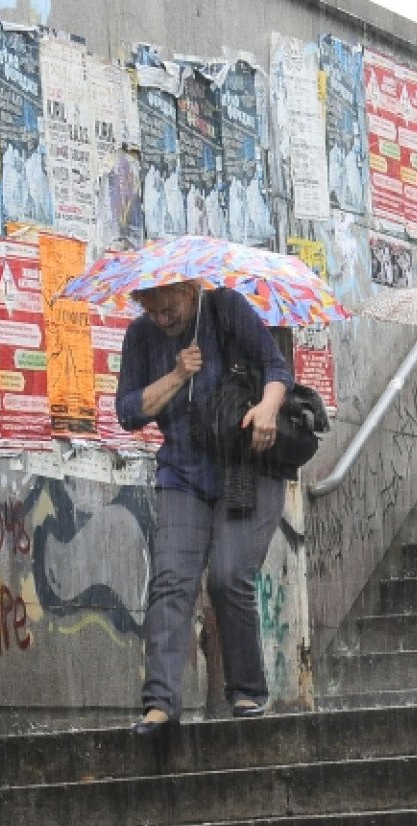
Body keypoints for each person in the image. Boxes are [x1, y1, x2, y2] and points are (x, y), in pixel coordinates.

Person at [115, 280, 292, 736]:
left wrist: (269, 408)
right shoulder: (140, 337)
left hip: (246, 464)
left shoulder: (226, 309)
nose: (163, 319)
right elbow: (129, 411)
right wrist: (176, 376)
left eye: (170, 308)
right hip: (183, 472)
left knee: (229, 575)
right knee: (171, 580)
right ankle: (159, 704)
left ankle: (247, 691)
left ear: (191, 291)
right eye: (153, 310)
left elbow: (277, 367)